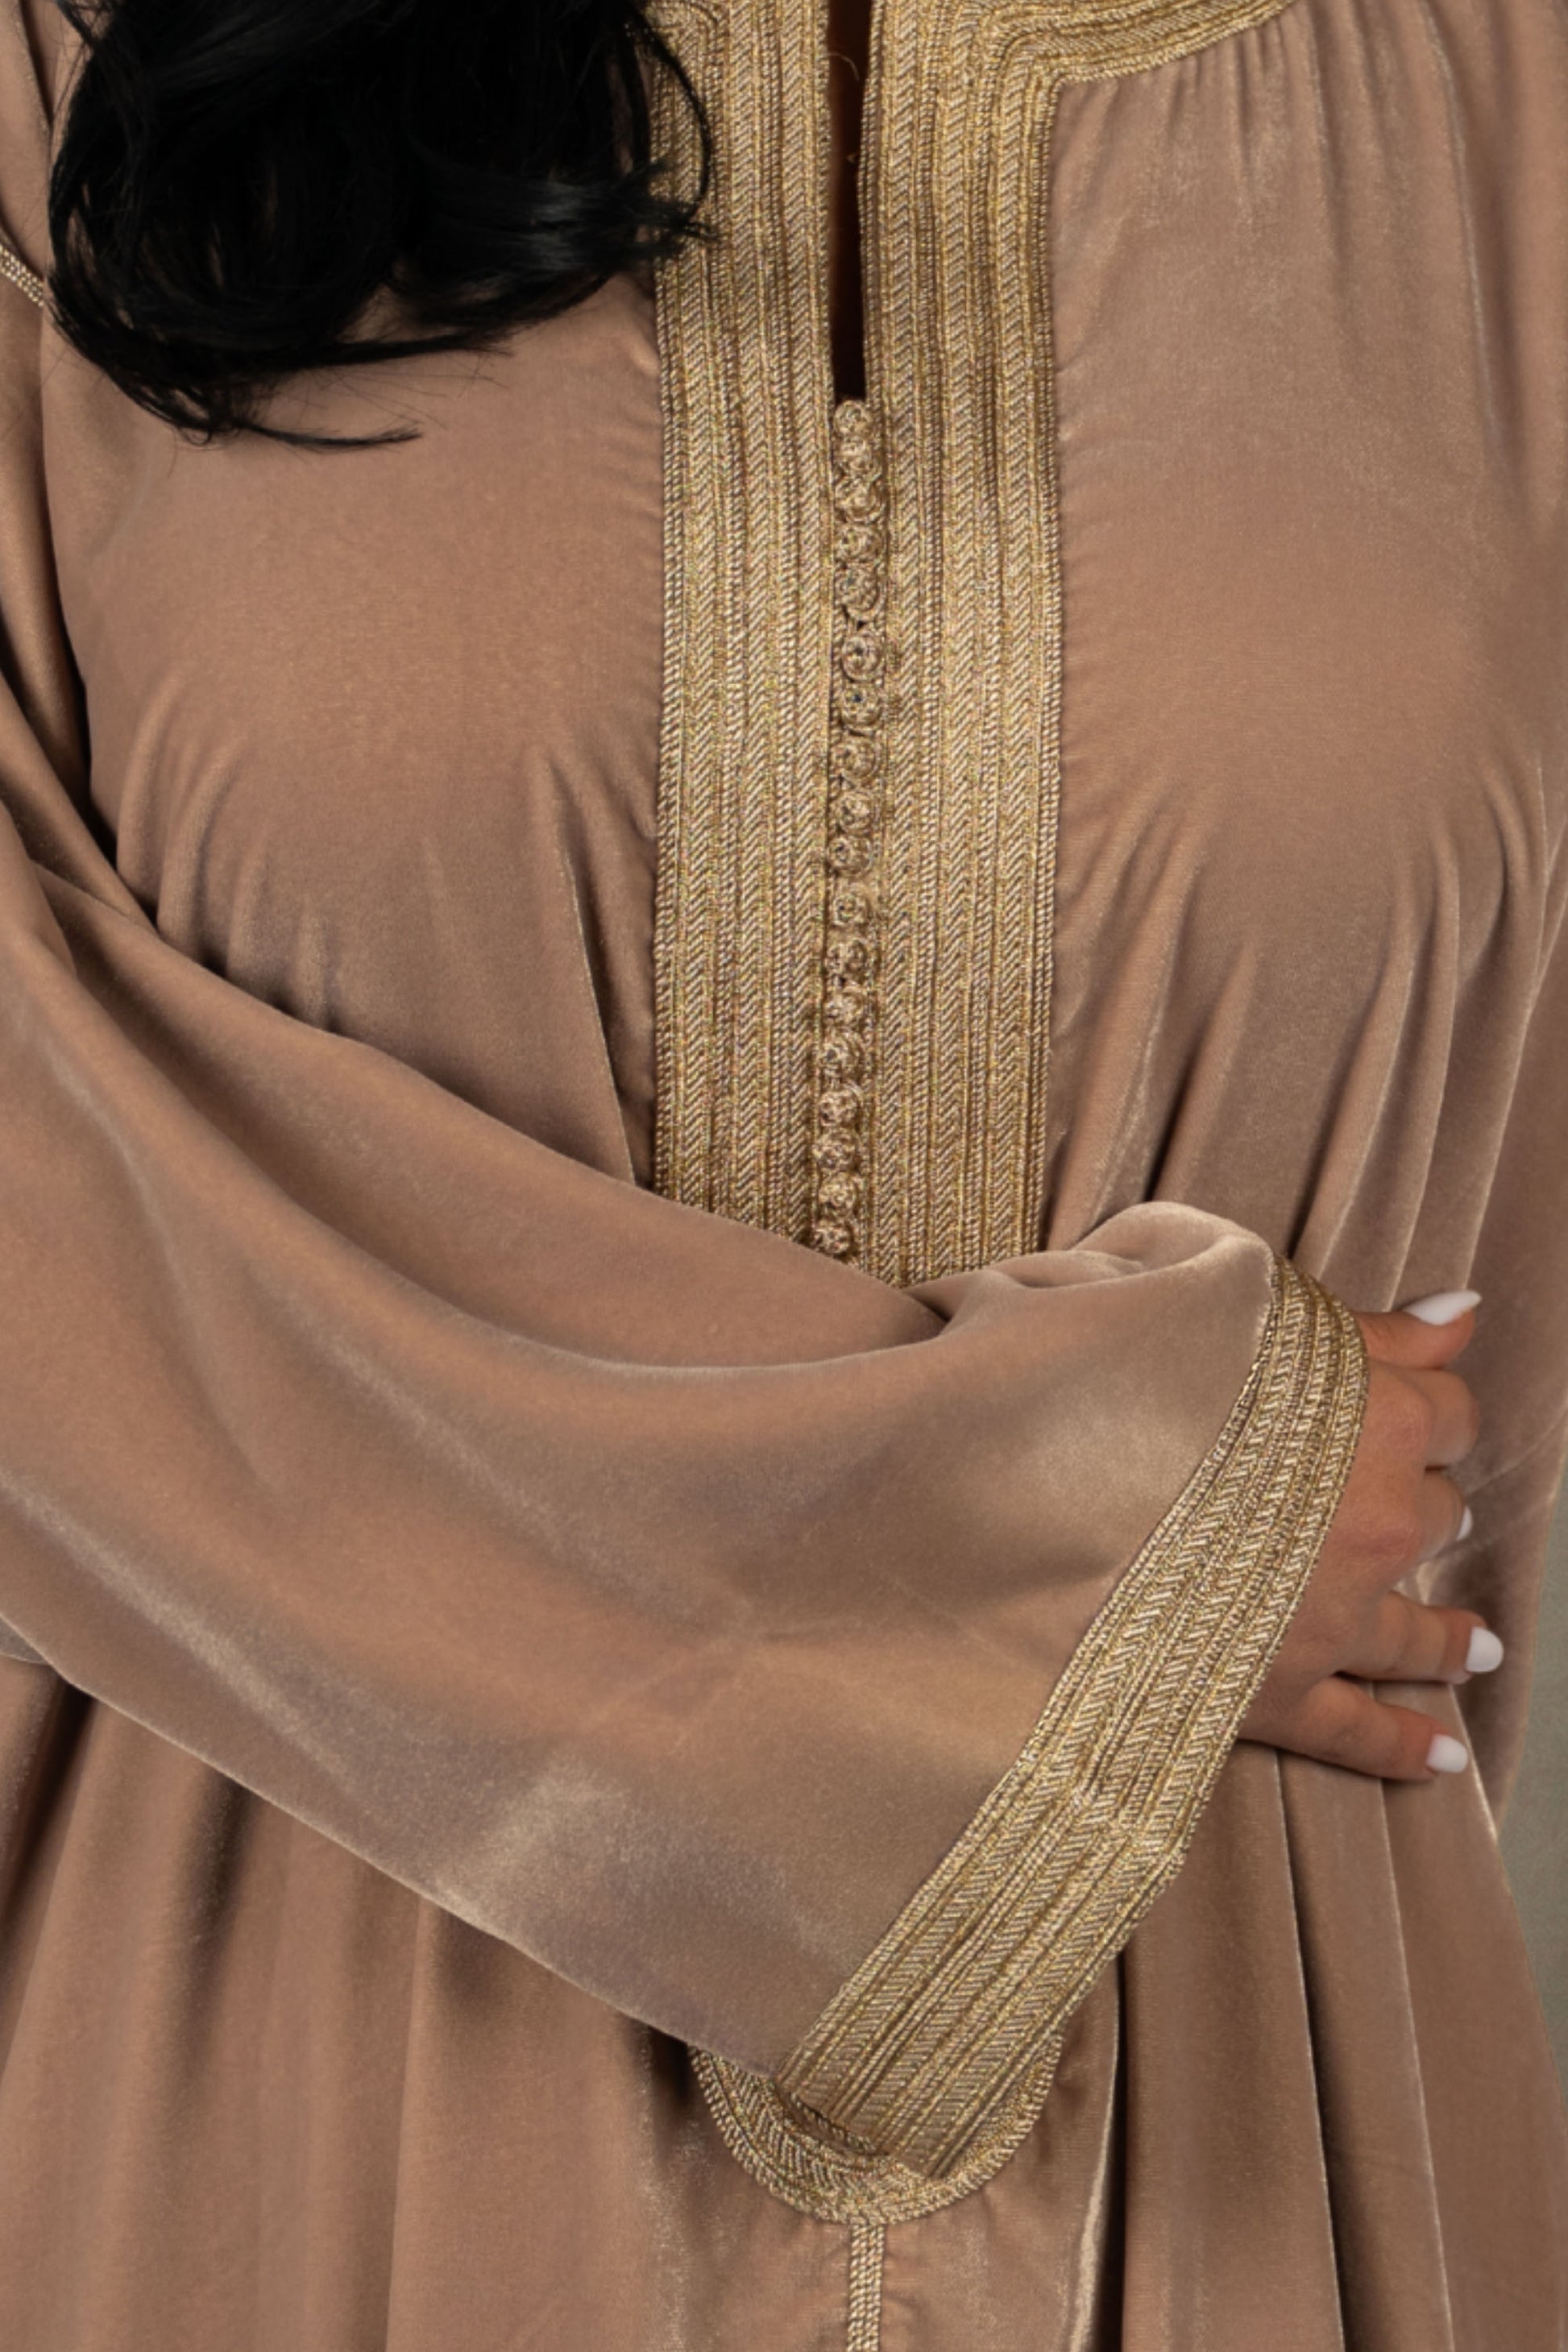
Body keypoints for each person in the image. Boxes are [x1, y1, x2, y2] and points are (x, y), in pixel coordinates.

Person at [0, 0, 1563, 2342]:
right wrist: (1124, 1518)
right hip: (261, 2075)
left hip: (1244, 2091)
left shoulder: (1499, 97)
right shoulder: (68, 76)